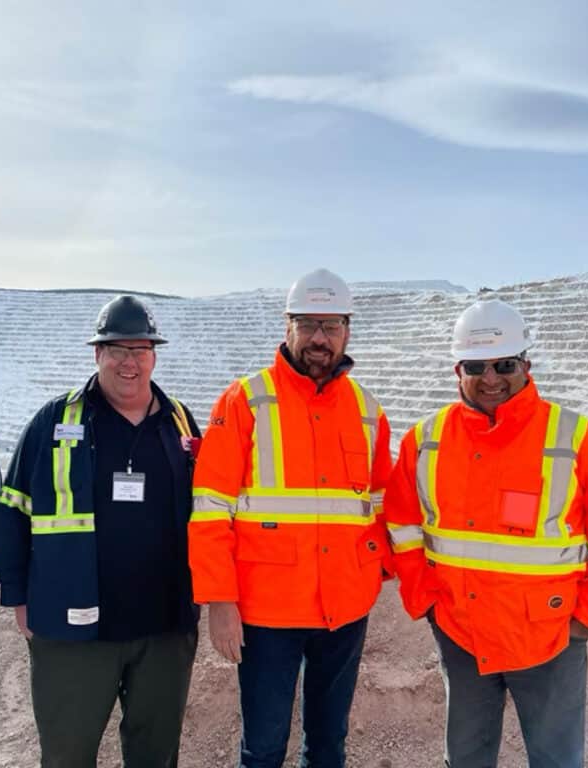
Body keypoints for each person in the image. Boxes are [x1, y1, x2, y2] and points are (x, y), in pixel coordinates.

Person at [384, 298, 588, 768]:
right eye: (476, 366)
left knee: (556, 760)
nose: (491, 378)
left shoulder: (577, 440)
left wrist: (583, 624)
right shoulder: (425, 441)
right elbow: (402, 529)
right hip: (461, 635)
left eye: (504, 364)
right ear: (457, 369)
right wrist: (426, 602)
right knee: (466, 759)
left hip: (550, 641)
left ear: (526, 364)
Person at [188, 268, 393, 768]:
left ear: (347, 330)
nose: (319, 338)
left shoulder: (367, 410)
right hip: (266, 611)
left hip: (343, 609)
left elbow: (384, 504)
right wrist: (220, 599)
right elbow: (210, 507)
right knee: (263, 748)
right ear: (287, 327)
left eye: (330, 325)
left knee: (328, 746)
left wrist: (379, 570)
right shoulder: (246, 400)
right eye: (308, 325)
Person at [0, 294, 201, 768]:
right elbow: (13, 510)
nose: (129, 362)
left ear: (153, 355)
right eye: (117, 350)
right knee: (67, 755)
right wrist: (17, 595)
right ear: (97, 354)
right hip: (72, 629)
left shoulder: (181, 423)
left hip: (164, 629)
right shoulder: (54, 422)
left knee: (156, 755)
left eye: (140, 350)